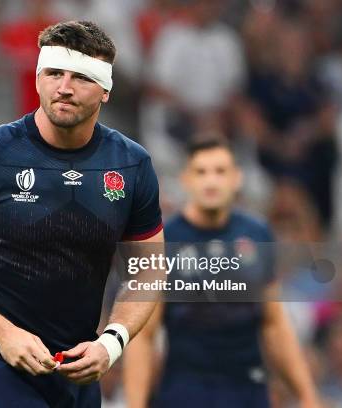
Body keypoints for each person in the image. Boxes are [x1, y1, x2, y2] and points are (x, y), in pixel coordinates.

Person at [0, 20, 164, 407]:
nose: (64, 88)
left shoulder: (131, 165)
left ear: (105, 90)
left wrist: (112, 341)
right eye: (54, 73)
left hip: (78, 370)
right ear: (38, 77)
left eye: (81, 77)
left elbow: (150, 267)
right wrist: (3, 332)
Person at [123, 139, 320, 407]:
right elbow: (144, 336)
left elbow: (274, 323)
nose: (211, 181)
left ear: (236, 178)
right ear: (186, 179)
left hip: (248, 392)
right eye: (201, 172)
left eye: (220, 171)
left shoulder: (257, 234)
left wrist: (306, 395)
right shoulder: (164, 241)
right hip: (185, 392)